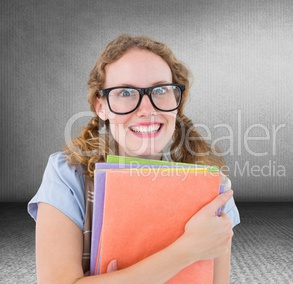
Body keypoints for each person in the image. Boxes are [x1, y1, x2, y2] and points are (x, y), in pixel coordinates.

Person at [28, 34, 240, 283]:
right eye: (126, 92)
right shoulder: (66, 175)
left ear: (176, 101)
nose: (147, 109)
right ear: (101, 106)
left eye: (161, 90)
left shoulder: (213, 190)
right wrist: (188, 250)